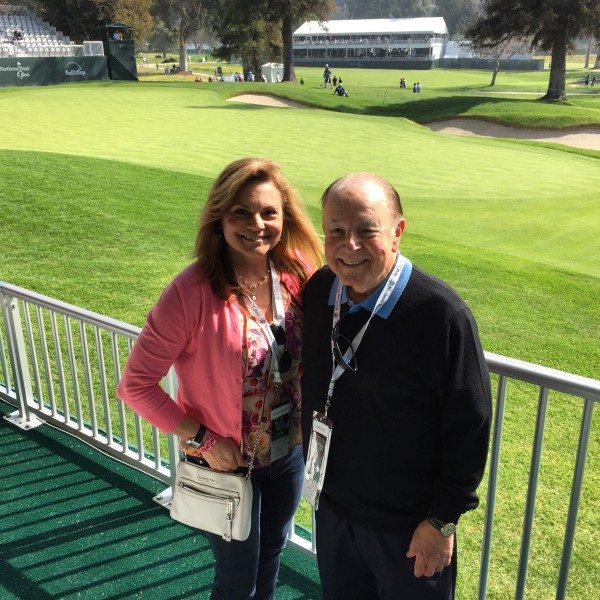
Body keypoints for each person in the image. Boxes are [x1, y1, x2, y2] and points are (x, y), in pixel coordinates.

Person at [117, 158, 322, 600]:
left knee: (272, 557)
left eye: (269, 212)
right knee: (237, 579)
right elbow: (135, 385)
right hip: (227, 464)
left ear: (285, 218)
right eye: (241, 212)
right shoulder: (191, 291)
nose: (257, 225)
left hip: (287, 454)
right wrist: (204, 440)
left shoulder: (295, 273)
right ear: (219, 218)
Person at [301, 173, 492, 600]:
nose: (349, 246)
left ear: (397, 231)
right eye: (335, 231)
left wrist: (441, 522)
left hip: (410, 530)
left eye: (366, 229)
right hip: (333, 511)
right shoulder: (319, 292)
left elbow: (470, 428)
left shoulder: (442, 315)